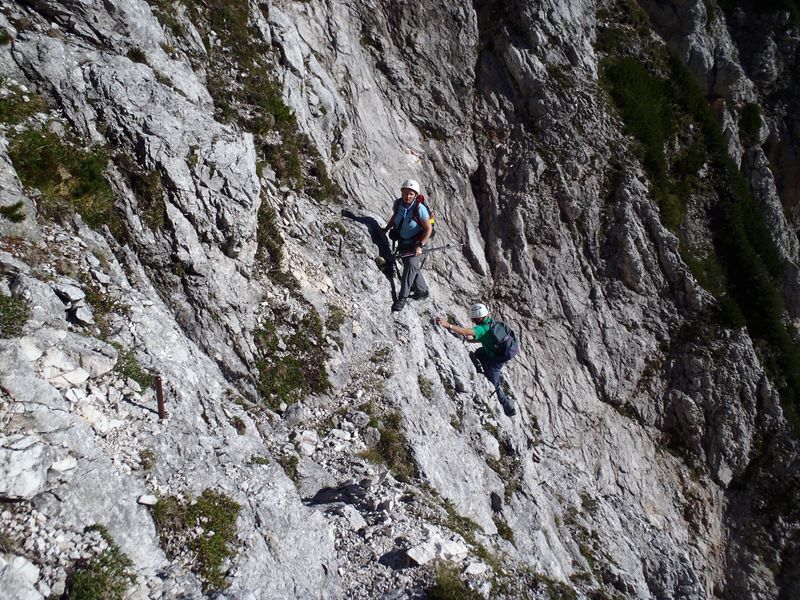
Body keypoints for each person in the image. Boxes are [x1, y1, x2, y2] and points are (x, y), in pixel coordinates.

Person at [435, 303, 517, 417]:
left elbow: (466, 332)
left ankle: (508, 406)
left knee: (494, 384)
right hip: (494, 352)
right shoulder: (491, 323)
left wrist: (448, 325)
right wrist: (471, 339)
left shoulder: (482, 328)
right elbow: (482, 337)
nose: (473, 321)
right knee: (478, 353)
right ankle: (486, 367)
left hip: (495, 360)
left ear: (478, 317)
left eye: (474, 318)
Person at [382, 179, 433, 312]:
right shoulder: (398, 203)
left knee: (410, 265)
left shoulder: (419, 209)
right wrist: (387, 229)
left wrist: (420, 245)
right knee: (412, 266)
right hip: (403, 242)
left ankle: (402, 297)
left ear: (415, 195)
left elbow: (428, 229)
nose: (407, 196)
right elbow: (395, 217)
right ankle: (422, 291)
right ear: (402, 192)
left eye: (411, 193)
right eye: (405, 192)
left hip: (417, 243)